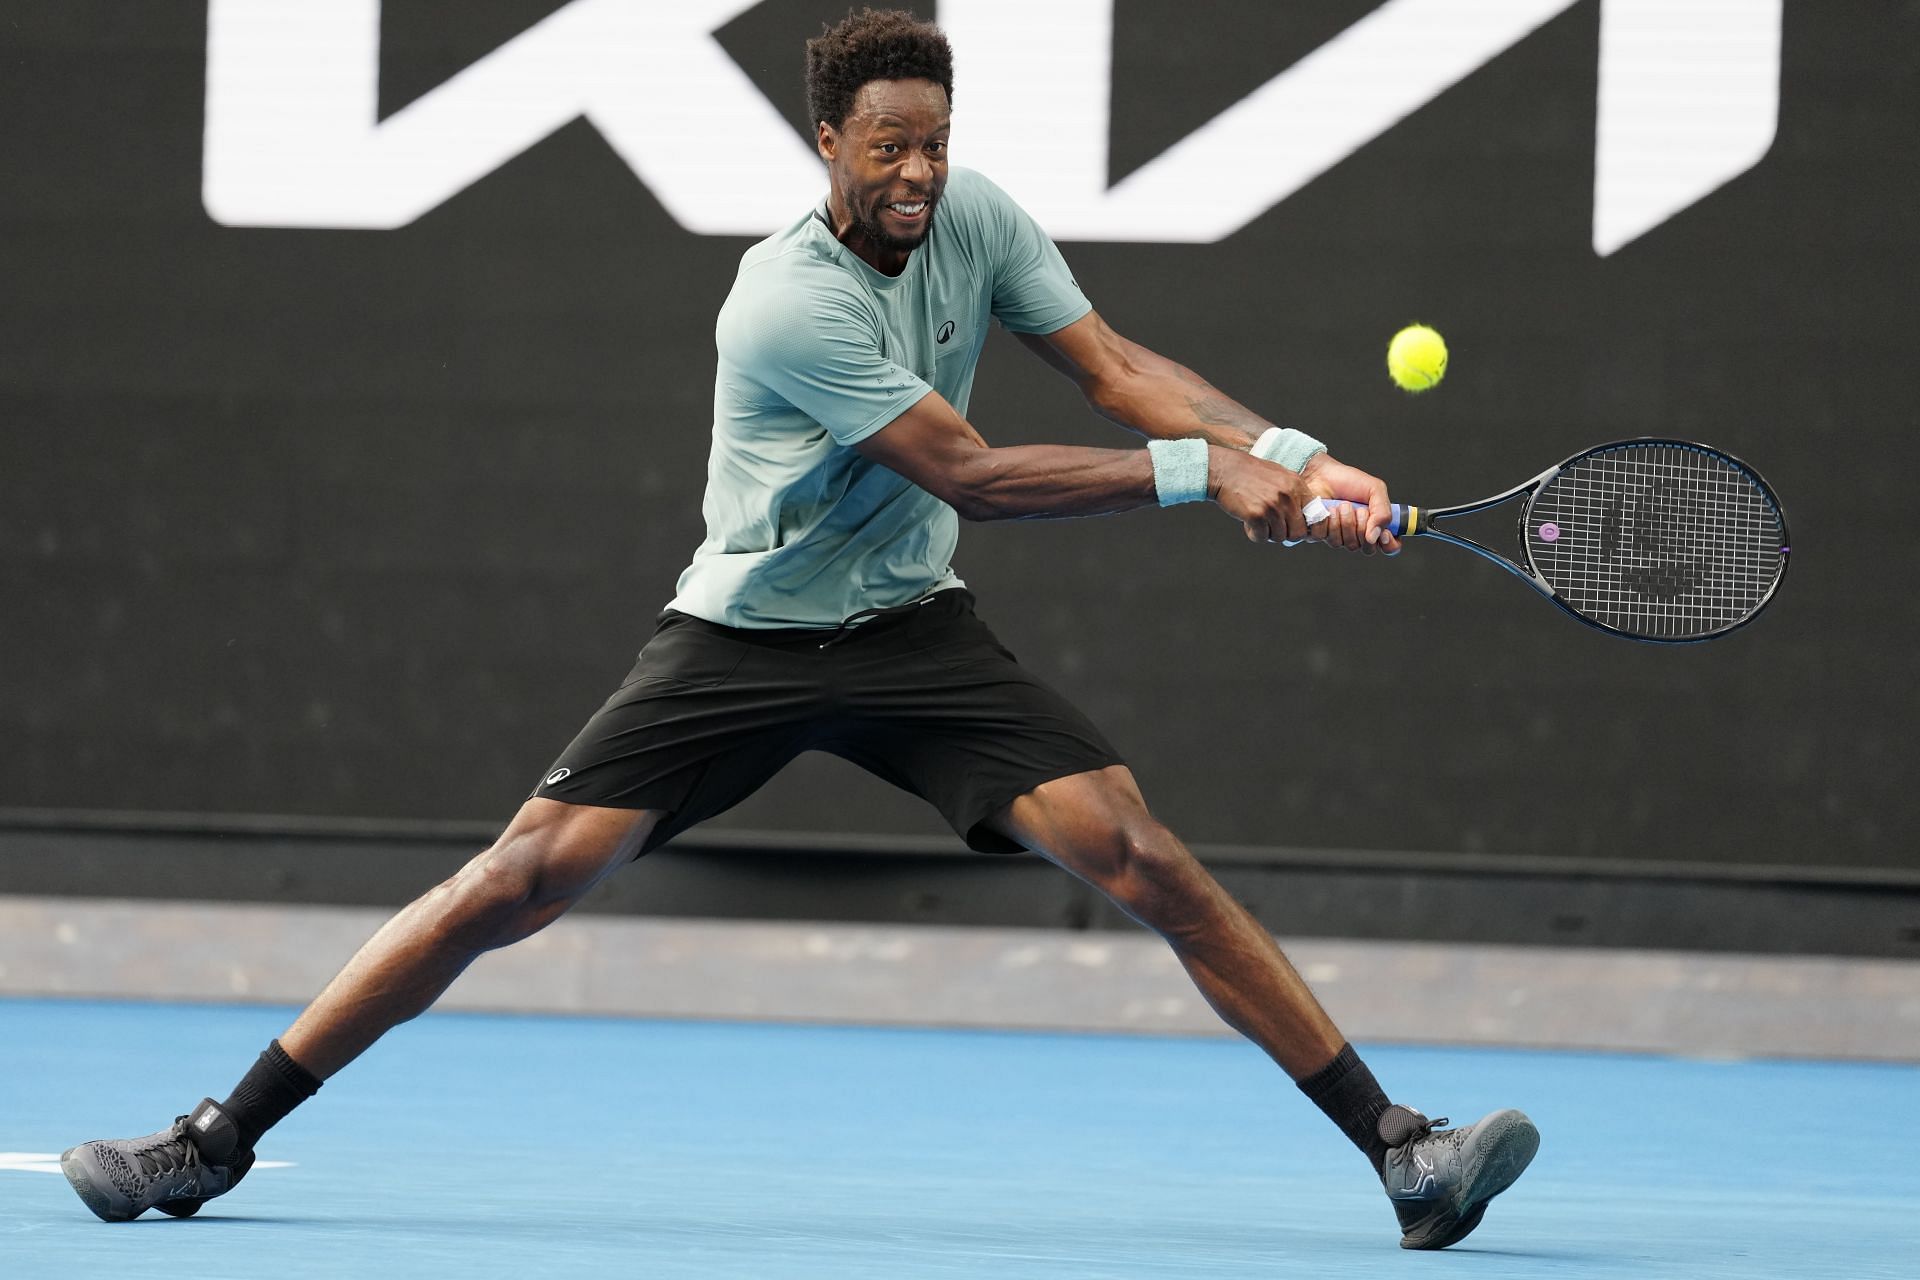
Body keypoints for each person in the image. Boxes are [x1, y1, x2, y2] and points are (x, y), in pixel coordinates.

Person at [62, 8, 1537, 1249]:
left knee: (1142, 856)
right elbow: (966, 470)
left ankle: (1401, 1150)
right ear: (827, 144)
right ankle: (215, 1139)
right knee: (515, 883)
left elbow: (1115, 364)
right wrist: (1206, 474)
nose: (916, 171)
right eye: (886, 144)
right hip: (747, 639)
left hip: (912, 630)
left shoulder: (977, 217)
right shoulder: (782, 299)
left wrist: (1287, 447)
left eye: (933, 143)